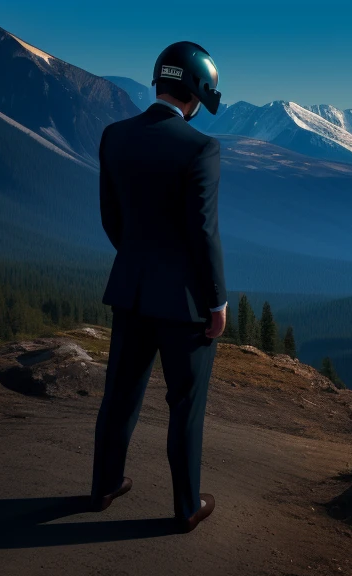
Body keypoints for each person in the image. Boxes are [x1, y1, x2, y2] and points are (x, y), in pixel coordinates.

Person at [90, 41, 227, 533]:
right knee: (184, 407)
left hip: (130, 290)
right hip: (185, 304)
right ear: (196, 92)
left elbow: (112, 218)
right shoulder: (199, 147)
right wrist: (217, 301)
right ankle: (186, 506)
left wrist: (137, 262)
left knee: (120, 396)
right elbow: (203, 232)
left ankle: (103, 487)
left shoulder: (114, 136)